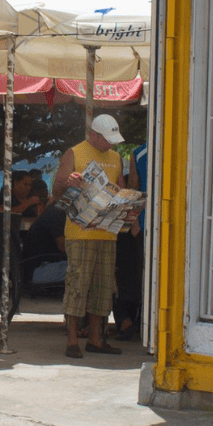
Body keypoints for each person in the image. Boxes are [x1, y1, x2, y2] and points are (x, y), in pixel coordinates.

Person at [52, 113, 127, 359]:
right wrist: (68, 181)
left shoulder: (117, 157)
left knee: (103, 288)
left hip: (107, 232)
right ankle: (72, 340)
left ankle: (96, 338)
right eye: (106, 139)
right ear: (93, 134)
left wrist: (128, 203)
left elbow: (122, 189)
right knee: (77, 285)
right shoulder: (74, 153)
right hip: (80, 231)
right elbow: (56, 189)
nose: (110, 144)